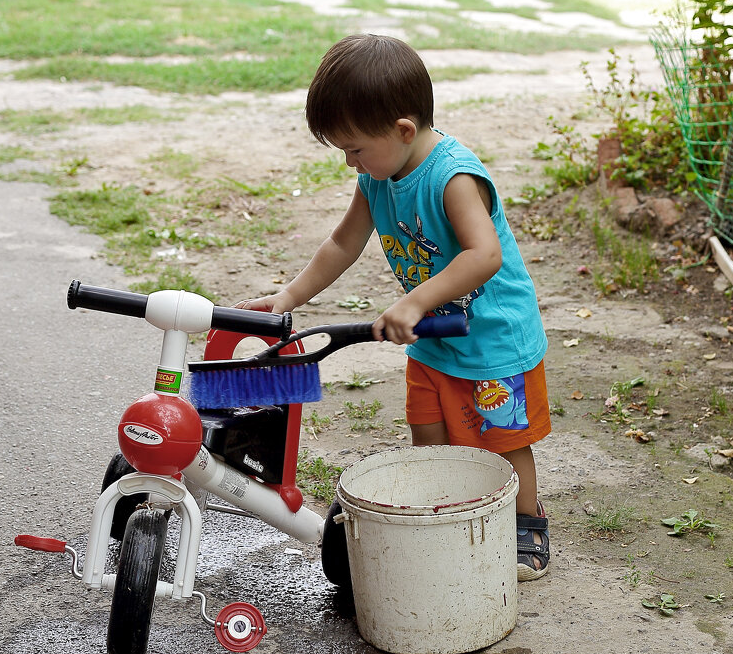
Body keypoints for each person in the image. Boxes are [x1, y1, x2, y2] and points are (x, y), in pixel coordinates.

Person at [236, 34, 552, 581]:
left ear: (404, 130)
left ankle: (527, 525)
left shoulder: (453, 177)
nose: (349, 162)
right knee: (428, 433)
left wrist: (414, 300)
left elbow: (485, 254)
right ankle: (448, 516)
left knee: (502, 442)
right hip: (433, 338)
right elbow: (342, 244)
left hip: (494, 340)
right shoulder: (378, 177)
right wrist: (287, 296)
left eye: (355, 149)